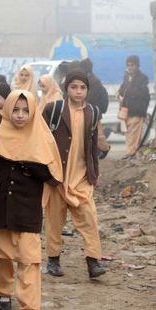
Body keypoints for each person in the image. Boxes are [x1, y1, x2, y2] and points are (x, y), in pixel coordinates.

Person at [0, 90, 62, 310]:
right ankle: (4, 294)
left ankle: (30, 306)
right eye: (15, 109)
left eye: (26, 110)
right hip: (2, 206)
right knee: (0, 256)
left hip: (28, 209)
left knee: (29, 260)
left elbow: (53, 176)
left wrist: (30, 163)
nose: (21, 115)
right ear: (7, 109)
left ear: (33, 112)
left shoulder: (42, 137)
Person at [42, 70, 106, 279]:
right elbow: (40, 140)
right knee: (54, 220)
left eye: (82, 87)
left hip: (81, 177)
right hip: (56, 177)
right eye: (74, 87)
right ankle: (53, 259)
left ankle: (93, 261)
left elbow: (94, 143)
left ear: (87, 90)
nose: (78, 92)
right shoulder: (54, 109)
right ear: (66, 88)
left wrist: (94, 173)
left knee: (89, 218)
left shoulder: (93, 112)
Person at [117, 55, 150, 159]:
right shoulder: (127, 78)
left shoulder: (142, 79)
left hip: (137, 111)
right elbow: (123, 91)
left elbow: (143, 96)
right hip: (127, 111)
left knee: (133, 134)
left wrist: (129, 88)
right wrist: (119, 92)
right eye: (128, 65)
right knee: (128, 134)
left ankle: (130, 154)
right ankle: (132, 154)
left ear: (137, 66)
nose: (130, 68)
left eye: (132, 65)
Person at [80, 58, 111, 159]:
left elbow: (90, 98)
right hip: (91, 112)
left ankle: (104, 149)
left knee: (97, 136)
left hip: (93, 113)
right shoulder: (91, 80)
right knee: (93, 136)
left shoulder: (92, 81)